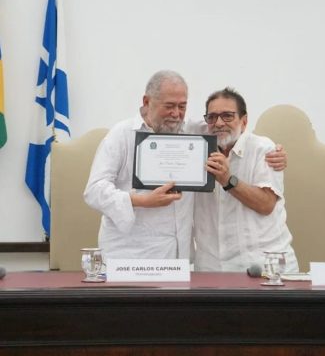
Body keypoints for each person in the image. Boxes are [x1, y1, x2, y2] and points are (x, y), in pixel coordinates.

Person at [84, 70, 287, 262]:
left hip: (177, 258)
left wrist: (273, 151)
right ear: (147, 102)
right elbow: (94, 190)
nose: (176, 113)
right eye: (169, 106)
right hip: (129, 254)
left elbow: (226, 129)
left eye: (182, 106)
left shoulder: (193, 132)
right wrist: (143, 200)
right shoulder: (122, 134)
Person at [191, 87, 298, 272]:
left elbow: (266, 204)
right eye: (212, 117)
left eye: (227, 116)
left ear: (244, 120)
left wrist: (227, 180)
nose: (218, 123)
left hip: (264, 267)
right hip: (212, 269)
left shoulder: (264, 149)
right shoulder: (195, 147)